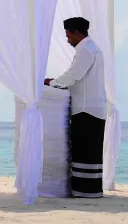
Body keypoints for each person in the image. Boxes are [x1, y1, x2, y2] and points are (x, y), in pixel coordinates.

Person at [44, 17, 107, 198]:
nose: (67, 40)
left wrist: (51, 82)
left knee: (84, 150)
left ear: (76, 32)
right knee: (91, 151)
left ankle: (84, 191)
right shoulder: (93, 48)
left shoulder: (85, 50)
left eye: (68, 35)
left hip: (86, 109)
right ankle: (92, 190)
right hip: (94, 107)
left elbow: (73, 76)